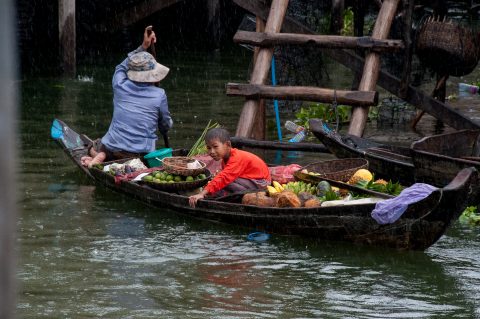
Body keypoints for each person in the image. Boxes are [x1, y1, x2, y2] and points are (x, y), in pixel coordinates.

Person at [81, 26, 173, 167]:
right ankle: (109, 159)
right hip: (142, 153)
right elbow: (165, 124)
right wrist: (166, 127)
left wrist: (143, 46)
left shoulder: (119, 85)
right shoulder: (159, 94)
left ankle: (103, 156)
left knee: (93, 147)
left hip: (114, 148)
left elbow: (120, 67)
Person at [188, 128, 271, 208]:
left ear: (228, 145)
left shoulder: (237, 157)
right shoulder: (225, 159)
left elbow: (224, 177)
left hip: (262, 184)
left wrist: (202, 193)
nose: (211, 152)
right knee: (221, 180)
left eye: (215, 147)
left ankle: (237, 196)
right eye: (209, 148)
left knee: (224, 180)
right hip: (249, 181)